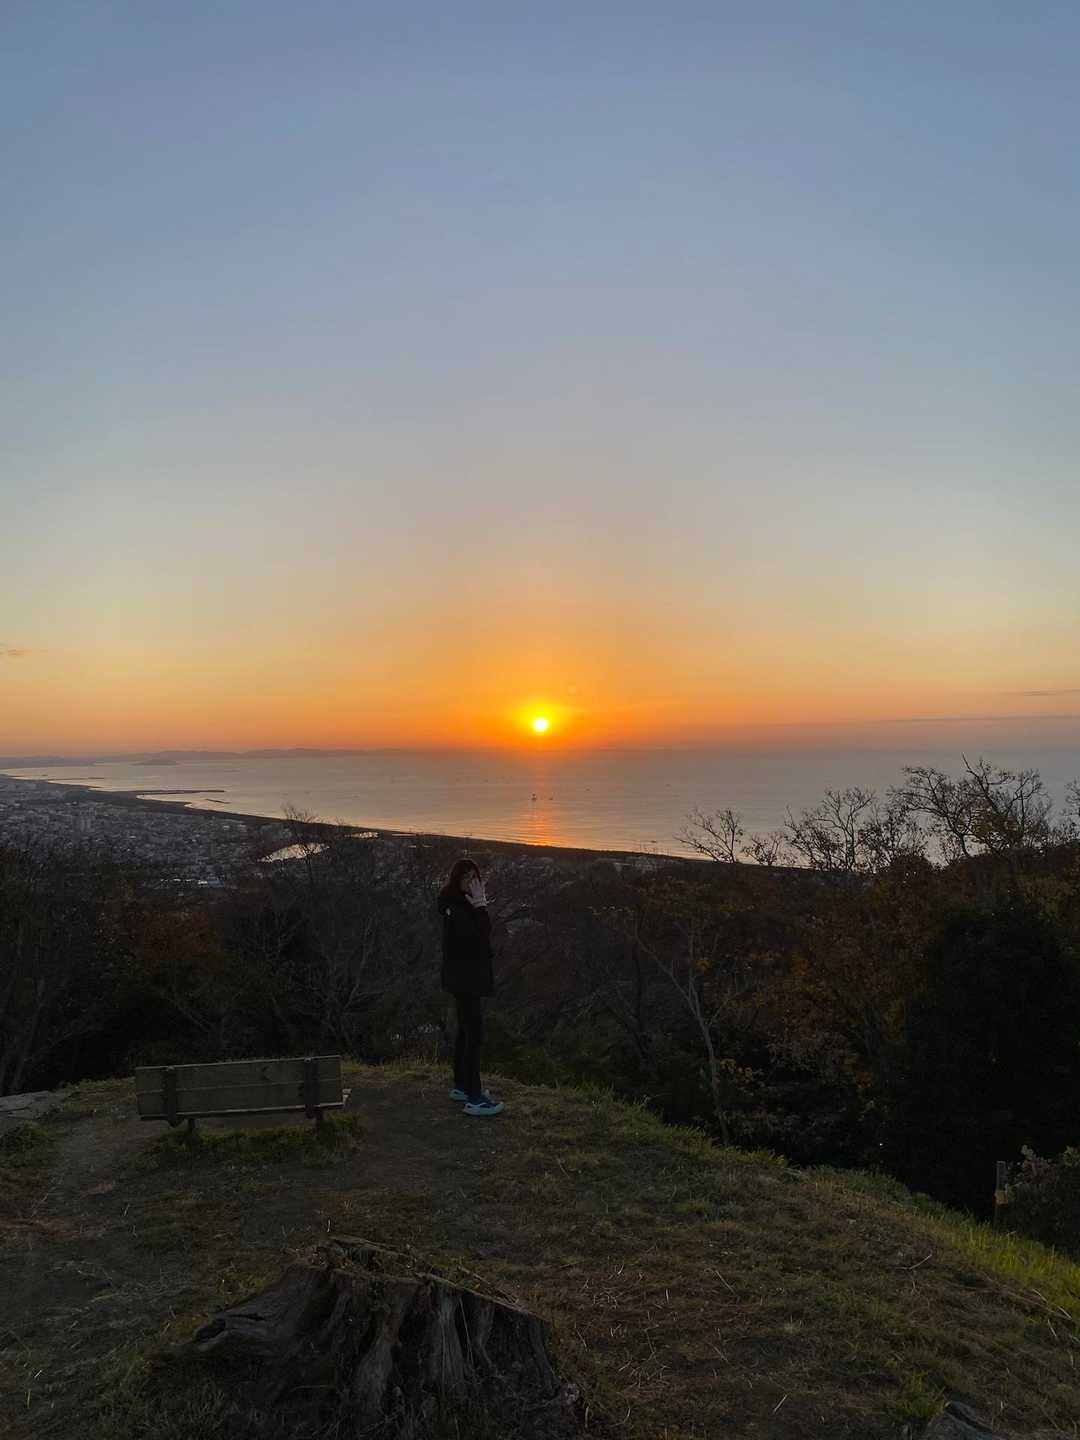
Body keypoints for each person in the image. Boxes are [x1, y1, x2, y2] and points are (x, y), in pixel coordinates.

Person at [437, 857, 504, 1116]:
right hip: (466, 978)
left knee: (465, 1032)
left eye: (474, 877)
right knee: (474, 1035)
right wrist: (481, 905)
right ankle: (475, 1098)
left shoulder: (456, 904)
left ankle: (462, 1086)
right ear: (457, 880)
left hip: (461, 977)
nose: (471, 882)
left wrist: (477, 905)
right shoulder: (458, 907)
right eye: (466, 878)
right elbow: (479, 935)